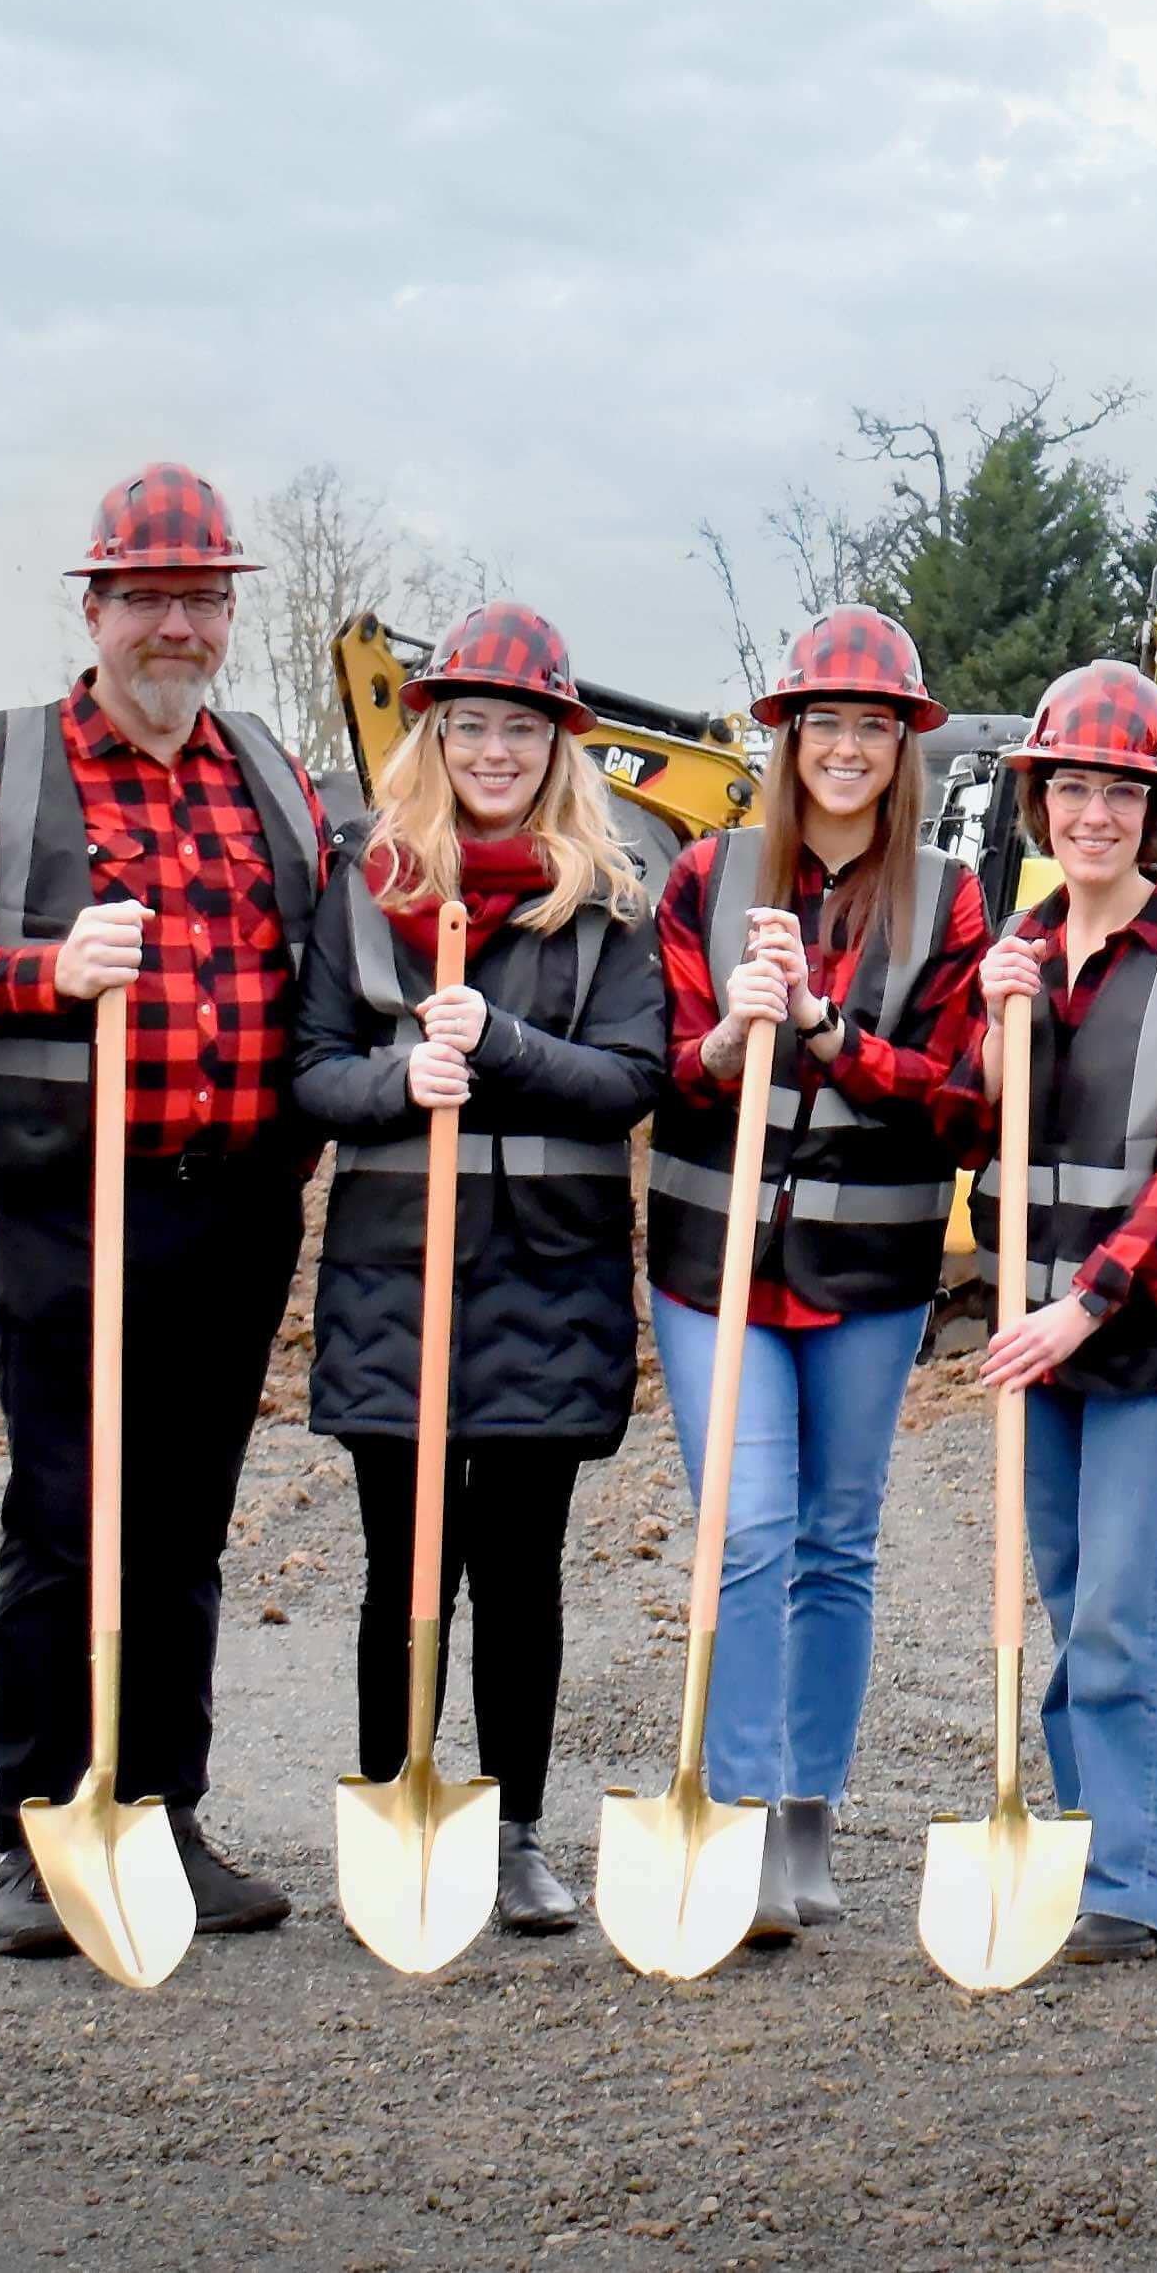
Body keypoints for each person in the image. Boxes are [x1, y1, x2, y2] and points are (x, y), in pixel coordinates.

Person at [0, 462, 329, 1961]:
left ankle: (161, 1812)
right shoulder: (5, 765)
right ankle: (37, 1832)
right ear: (97, 607)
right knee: (71, 1519)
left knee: (186, 1527)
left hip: (241, 1202)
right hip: (75, 1202)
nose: (179, 627)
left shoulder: (261, 766)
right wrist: (49, 973)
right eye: (151, 599)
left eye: (204, 601)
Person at [291, 605, 666, 1940]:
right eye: (470, 726)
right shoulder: (370, 878)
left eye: (519, 728)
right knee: (404, 1561)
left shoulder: (614, 898)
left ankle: (512, 1832)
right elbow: (312, 1071)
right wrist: (400, 1076)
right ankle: (401, 1808)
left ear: (558, 745)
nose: (493, 750)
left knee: (520, 1564)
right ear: (433, 735)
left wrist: (500, 1041)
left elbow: (635, 1076)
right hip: (399, 1274)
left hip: (546, 1283)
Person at [642, 609, 985, 1938]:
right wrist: (733, 1034)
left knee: (837, 1540)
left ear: (906, 749)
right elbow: (659, 1066)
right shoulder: (704, 878)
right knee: (749, 1531)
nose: (847, 749)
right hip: (709, 1256)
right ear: (783, 739)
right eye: (823, 725)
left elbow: (960, 1100)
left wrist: (833, 1033)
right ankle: (733, 1813)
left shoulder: (949, 898)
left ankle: (804, 1818)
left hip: (868, 1264)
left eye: (875, 728)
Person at [937, 659, 1157, 1965]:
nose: (1093, 814)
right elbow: (964, 1122)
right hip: (1042, 1323)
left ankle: (1133, 1880)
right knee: (1068, 1589)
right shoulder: (1012, 952)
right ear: (1040, 803)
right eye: (1072, 788)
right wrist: (995, 1031)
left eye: (1120, 793)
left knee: (1124, 1591)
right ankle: (1078, 1840)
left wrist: (1085, 1306)